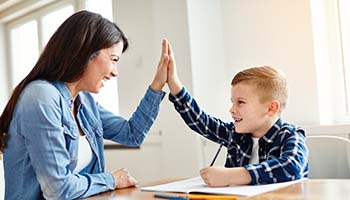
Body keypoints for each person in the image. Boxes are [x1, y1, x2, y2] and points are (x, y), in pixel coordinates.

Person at [0, 10, 171, 199]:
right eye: (113, 60)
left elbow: (132, 135)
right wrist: (111, 180)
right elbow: (58, 190)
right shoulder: (41, 97)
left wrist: (157, 84)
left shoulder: (85, 102)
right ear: (85, 52)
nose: (115, 72)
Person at [165, 43, 308, 186]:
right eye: (232, 102)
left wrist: (231, 176)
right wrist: (174, 84)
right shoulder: (236, 134)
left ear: (271, 108)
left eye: (240, 102)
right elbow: (201, 122)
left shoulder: (290, 135)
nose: (232, 109)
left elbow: (292, 166)